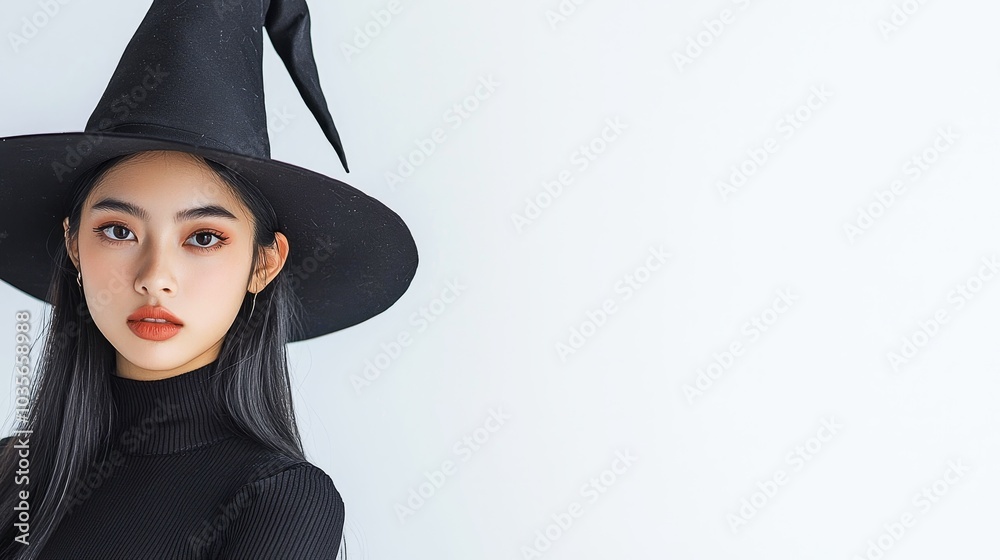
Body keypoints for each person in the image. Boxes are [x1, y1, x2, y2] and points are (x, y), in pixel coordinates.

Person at [0, 1, 418, 558]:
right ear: (74, 245)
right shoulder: (12, 475)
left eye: (202, 238)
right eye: (119, 231)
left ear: (263, 264)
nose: (155, 278)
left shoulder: (276, 501)